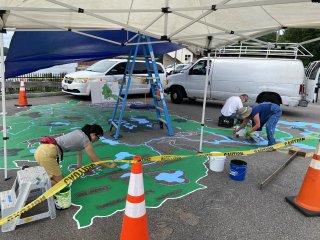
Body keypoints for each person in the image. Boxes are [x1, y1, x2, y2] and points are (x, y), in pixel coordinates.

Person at [34, 124, 117, 185]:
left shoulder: (79, 132)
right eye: (98, 137)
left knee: (58, 177)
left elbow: (79, 152)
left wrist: (79, 167)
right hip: (46, 155)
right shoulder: (86, 141)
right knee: (61, 184)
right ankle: (37, 181)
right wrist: (109, 166)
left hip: (41, 149)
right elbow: (94, 159)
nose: (97, 140)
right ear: (93, 134)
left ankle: (42, 177)